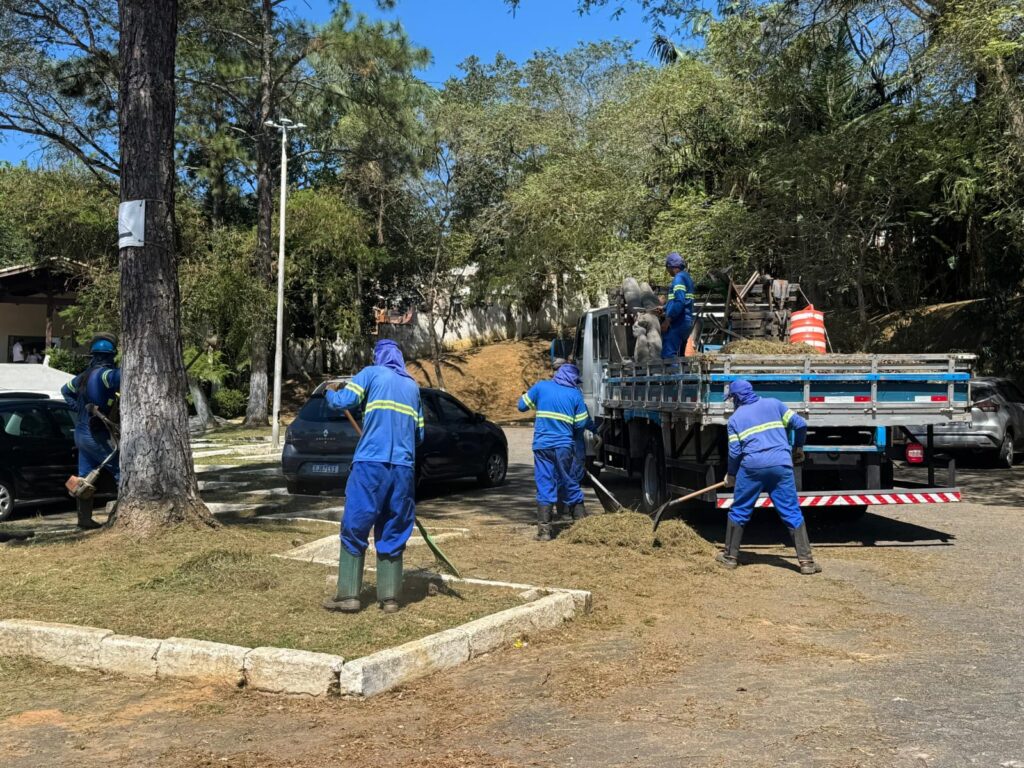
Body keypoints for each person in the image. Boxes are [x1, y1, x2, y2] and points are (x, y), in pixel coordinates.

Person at [322, 339, 424, 615]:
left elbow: (344, 401)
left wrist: (330, 393)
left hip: (370, 464)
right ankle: (390, 598)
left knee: (356, 522)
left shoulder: (371, 373)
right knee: (394, 524)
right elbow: (419, 434)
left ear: (378, 357)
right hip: (402, 468)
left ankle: (348, 595)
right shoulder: (412, 386)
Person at [718, 379, 821, 575]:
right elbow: (800, 424)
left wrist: (731, 474)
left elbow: (735, 453)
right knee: (791, 511)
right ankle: (806, 562)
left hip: (752, 468)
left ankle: (730, 558)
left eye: (732, 399)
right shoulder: (774, 404)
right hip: (781, 465)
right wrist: (798, 448)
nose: (732, 403)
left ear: (737, 398)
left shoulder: (734, 420)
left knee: (739, 510)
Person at [518, 363, 592, 541]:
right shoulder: (575, 394)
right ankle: (582, 526)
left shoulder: (541, 387)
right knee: (569, 480)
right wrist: (574, 436)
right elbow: (581, 423)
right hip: (564, 446)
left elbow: (521, 406)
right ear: (573, 379)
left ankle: (544, 531)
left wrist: (535, 398)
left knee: (544, 483)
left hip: (542, 446)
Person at [60, 332, 121, 530]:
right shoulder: (106, 375)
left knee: (85, 477)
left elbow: (65, 390)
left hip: (80, 433)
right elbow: (124, 376)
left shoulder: (83, 377)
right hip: (96, 434)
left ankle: (84, 519)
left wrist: (79, 409)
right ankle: (124, 515)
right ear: (110, 356)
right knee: (121, 471)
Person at [660, 252, 695, 359]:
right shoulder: (686, 277)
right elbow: (678, 300)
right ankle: (683, 370)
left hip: (679, 322)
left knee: (668, 354)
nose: (668, 271)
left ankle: (674, 370)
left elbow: (680, 301)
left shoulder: (678, 279)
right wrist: (664, 308)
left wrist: (668, 320)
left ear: (672, 266)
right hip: (686, 321)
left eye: (668, 268)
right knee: (680, 356)